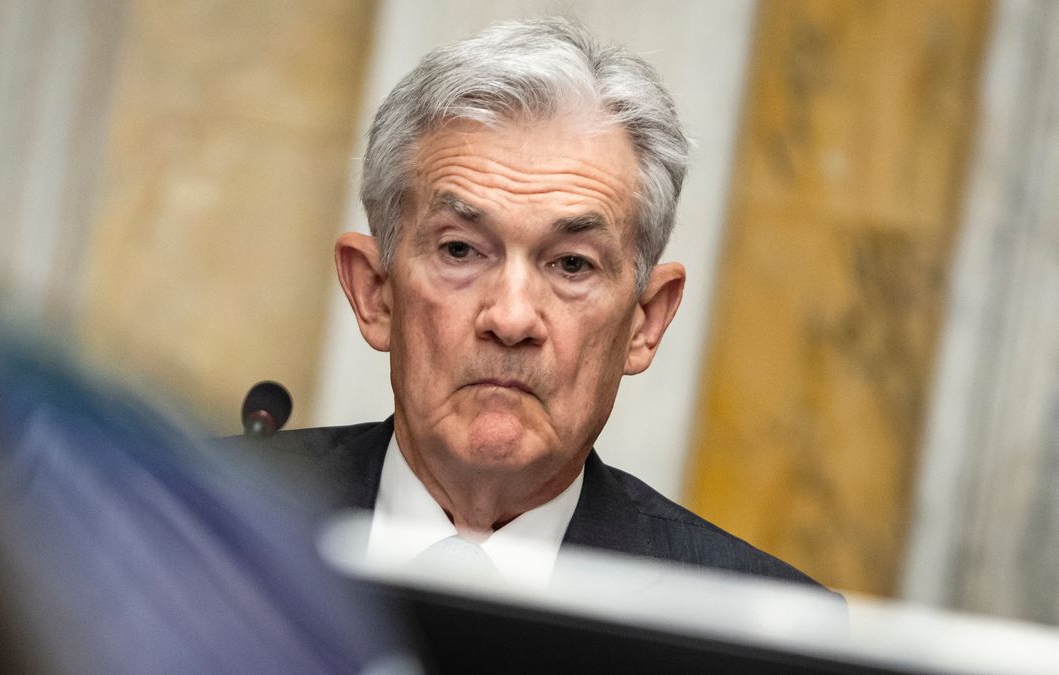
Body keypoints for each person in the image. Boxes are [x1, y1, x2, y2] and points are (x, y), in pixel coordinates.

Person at [257, 17, 824, 589]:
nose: (510, 319)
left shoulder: (754, 625)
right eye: (460, 250)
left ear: (645, 322)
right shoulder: (199, 525)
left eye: (572, 264)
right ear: (374, 293)